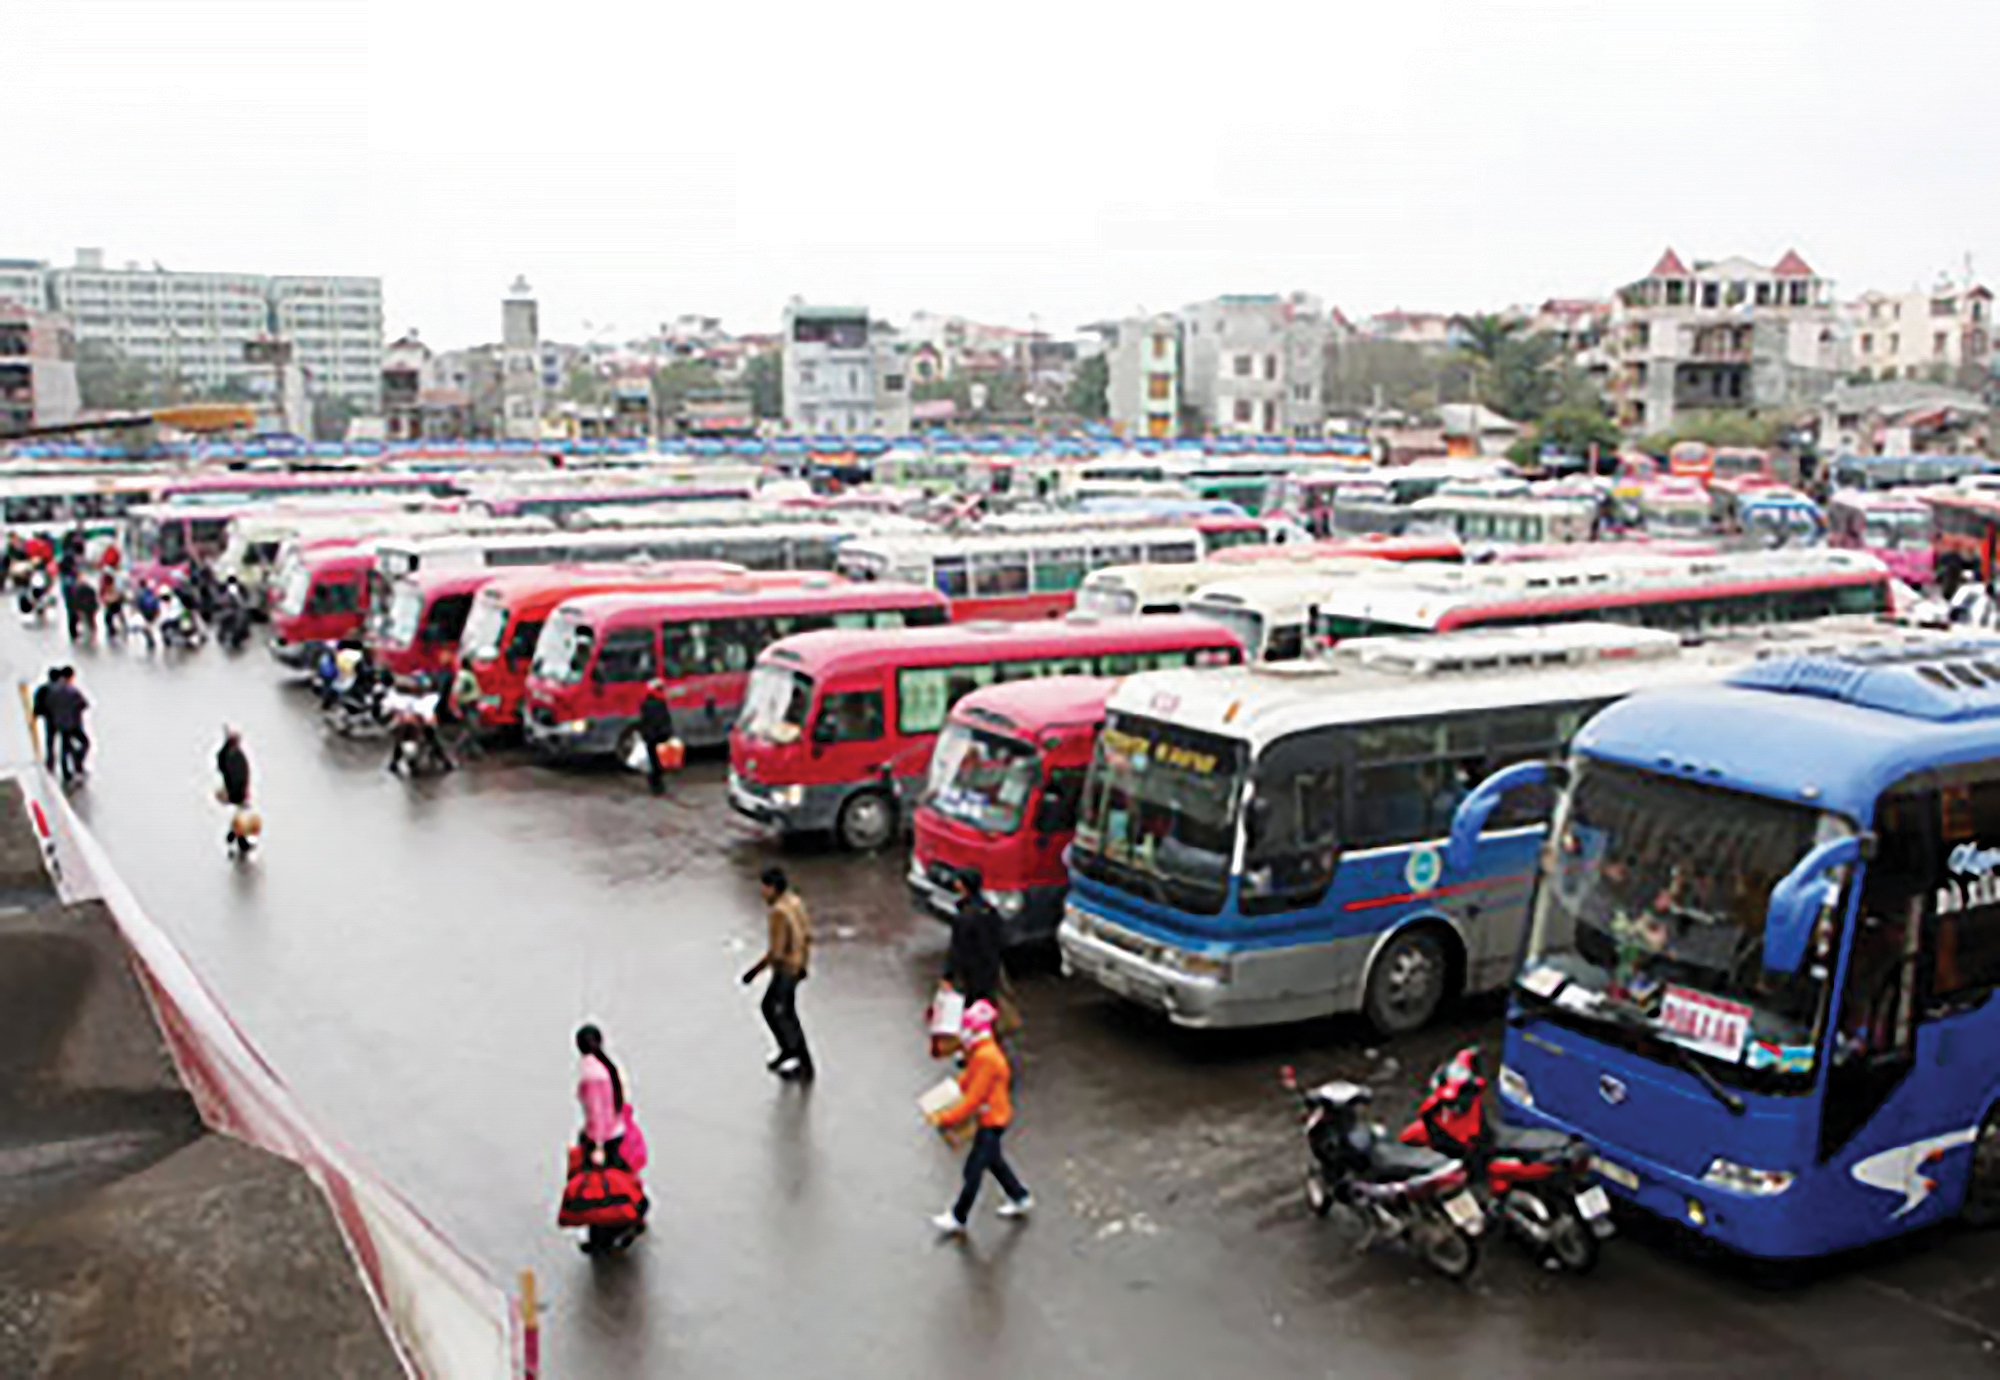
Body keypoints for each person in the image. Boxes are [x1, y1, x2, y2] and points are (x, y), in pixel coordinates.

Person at [927, 999, 1033, 1236]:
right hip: (993, 1119)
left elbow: (974, 1097)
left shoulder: (986, 1058)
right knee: (995, 1163)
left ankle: (958, 1216)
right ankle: (1019, 1196)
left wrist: (947, 1117)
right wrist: (945, 1096)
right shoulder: (982, 1053)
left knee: (973, 1170)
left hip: (990, 1121)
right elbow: (967, 1080)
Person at [744, 867, 814, 1080]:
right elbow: (806, 936)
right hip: (796, 965)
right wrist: (804, 965)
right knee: (784, 1011)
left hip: (785, 969)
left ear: (773, 888)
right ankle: (793, 1053)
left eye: (764, 888)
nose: (762, 893)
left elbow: (776, 952)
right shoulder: (795, 903)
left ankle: (796, 1055)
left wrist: (753, 972)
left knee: (776, 1010)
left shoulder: (778, 913)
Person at [944, 867, 1005, 1006]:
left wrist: (948, 976)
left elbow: (956, 950)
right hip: (989, 974)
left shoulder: (965, 917)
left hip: (970, 977)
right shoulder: (990, 911)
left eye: (959, 881)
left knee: (970, 1012)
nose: (955, 884)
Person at [44, 667, 88, 785]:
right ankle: (76, 763)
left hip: (59, 721)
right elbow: (83, 704)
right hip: (72, 722)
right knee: (83, 743)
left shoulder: (53, 691)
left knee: (64, 746)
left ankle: (64, 770)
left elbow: (48, 705)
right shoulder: (72, 691)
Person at [217, 727, 253, 857]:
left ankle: (234, 836)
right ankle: (238, 839)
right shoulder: (234, 756)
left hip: (235, 790)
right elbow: (238, 776)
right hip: (237, 791)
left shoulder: (228, 754)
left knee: (240, 815)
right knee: (241, 815)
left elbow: (221, 764)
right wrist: (241, 792)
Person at [637, 679, 676, 797]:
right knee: (657, 763)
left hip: (652, 736)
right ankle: (657, 787)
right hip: (657, 736)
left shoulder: (647, 703)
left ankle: (656, 786)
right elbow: (665, 720)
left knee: (654, 763)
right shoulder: (658, 703)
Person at [30, 667, 59, 773]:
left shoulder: (43, 689)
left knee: (50, 740)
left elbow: (38, 702)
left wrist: (35, 714)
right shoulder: (61, 688)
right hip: (62, 718)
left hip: (49, 717)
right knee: (66, 741)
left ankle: (50, 761)